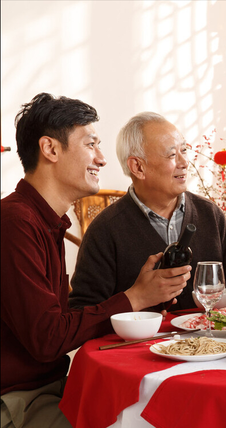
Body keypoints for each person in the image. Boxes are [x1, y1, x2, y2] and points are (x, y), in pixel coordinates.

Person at [0, 94, 190, 427]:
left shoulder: (47, 221)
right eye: (91, 145)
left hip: (54, 387)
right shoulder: (15, 223)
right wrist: (135, 298)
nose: (102, 159)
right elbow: (48, 339)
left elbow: (60, 321)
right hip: (20, 401)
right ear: (51, 149)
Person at [69, 112, 226, 311]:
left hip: (212, 344)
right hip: (139, 346)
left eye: (184, 150)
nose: (184, 162)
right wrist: (136, 298)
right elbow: (84, 311)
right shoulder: (106, 229)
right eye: (172, 154)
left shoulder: (210, 214)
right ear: (138, 167)